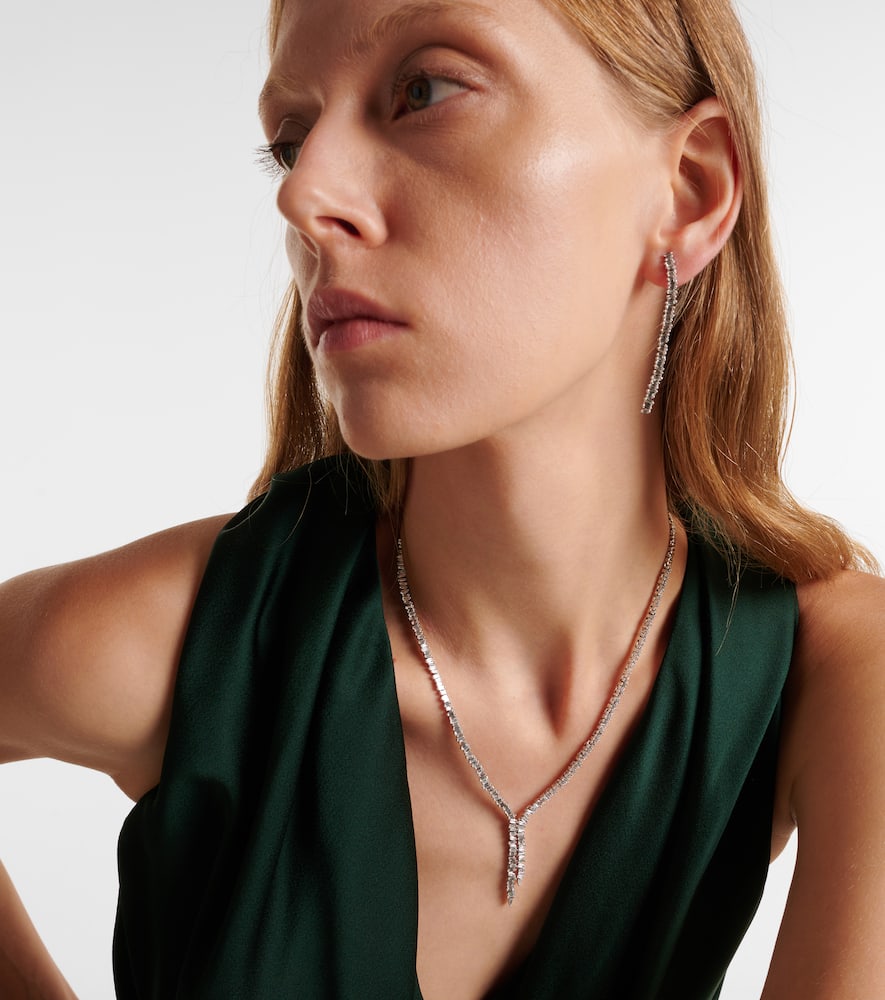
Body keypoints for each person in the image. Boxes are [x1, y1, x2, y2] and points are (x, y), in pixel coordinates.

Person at [2, 0, 884, 997]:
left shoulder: (831, 676)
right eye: (289, 141)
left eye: (422, 90)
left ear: (689, 189)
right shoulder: (191, 646)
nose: (303, 195)